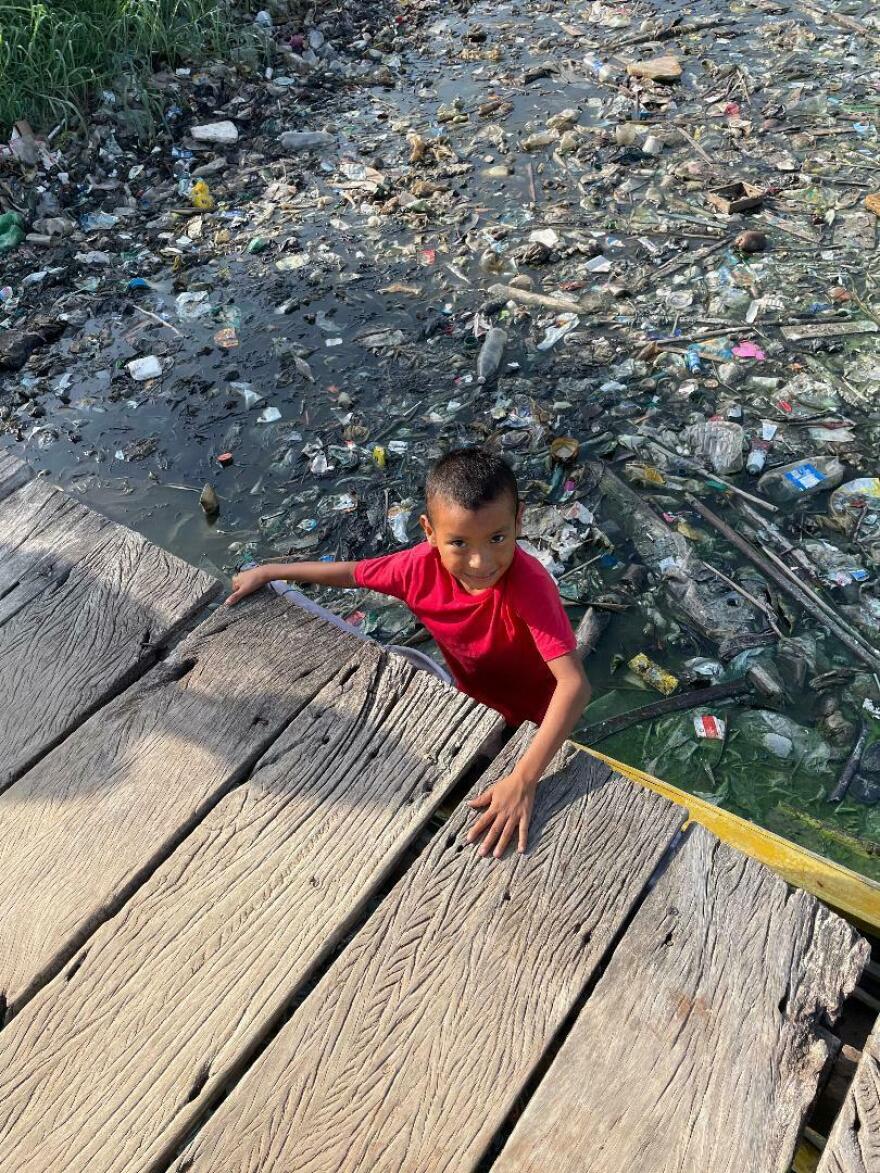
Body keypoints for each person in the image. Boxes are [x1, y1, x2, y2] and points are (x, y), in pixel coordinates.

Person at [226, 447, 592, 858]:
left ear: (519, 520)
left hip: (538, 724)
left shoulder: (529, 586)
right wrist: (272, 571)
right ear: (429, 531)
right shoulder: (415, 569)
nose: (481, 561)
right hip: (473, 706)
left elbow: (574, 686)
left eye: (497, 538)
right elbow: (351, 574)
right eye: (458, 542)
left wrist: (523, 779)